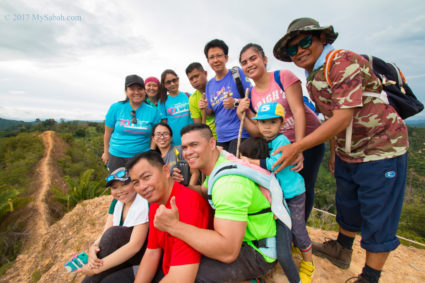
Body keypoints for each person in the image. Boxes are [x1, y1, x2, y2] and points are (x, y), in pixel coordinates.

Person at [272, 17, 409, 283]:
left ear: (322, 38)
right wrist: (335, 152)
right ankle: (342, 249)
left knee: (377, 213)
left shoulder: (341, 61)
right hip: (350, 151)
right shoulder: (313, 78)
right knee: (348, 202)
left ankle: (370, 276)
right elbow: (329, 116)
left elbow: (343, 117)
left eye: (305, 42)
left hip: (381, 148)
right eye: (292, 49)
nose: (299, 51)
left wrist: (297, 146)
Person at [153, 123, 277, 282]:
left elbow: (228, 251)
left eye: (194, 145)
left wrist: (173, 226)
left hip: (255, 251)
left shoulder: (229, 184)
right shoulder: (219, 164)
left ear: (212, 143)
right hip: (244, 239)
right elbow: (204, 191)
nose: (188, 152)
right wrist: (173, 186)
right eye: (184, 147)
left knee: (191, 274)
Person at [238, 43, 324, 221]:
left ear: (265, 59)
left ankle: (299, 235)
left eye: (253, 58)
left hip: (308, 140)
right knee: (283, 187)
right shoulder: (251, 94)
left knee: (303, 187)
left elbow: (299, 110)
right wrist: (242, 116)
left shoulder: (282, 76)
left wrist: (299, 147)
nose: (249, 64)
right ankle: (287, 230)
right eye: (244, 62)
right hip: (280, 145)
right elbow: (258, 131)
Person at [240, 102, 314, 283]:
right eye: (263, 122)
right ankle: (291, 248)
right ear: (257, 124)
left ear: (281, 124)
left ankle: (308, 264)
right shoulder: (264, 142)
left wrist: (247, 161)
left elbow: (274, 163)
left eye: (272, 122)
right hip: (278, 196)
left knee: (297, 228)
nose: (267, 126)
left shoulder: (282, 141)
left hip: (292, 193)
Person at [126, 151, 212, 283]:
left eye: (147, 177)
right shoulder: (156, 202)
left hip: (189, 272)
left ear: (166, 171)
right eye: (136, 182)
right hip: (169, 266)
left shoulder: (188, 205)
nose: (142, 187)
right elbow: (152, 252)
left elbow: (182, 278)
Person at [80, 168, 149, 283]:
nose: (120, 191)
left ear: (135, 183)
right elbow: (106, 232)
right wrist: (94, 247)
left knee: (114, 234)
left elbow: (135, 245)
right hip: (123, 253)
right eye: (114, 187)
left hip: (143, 254)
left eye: (125, 184)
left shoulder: (143, 202)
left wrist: (96, 269)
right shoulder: (117, 203)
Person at [201, 39, 251, 154]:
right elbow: (211, 112)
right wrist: (204, 107)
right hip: (221, 139)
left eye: (219, 55)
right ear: (208, 61)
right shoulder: (209, 84)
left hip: (240, 135)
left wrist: (235, 102)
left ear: (226, 58)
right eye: (212, 57)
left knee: (234, 170)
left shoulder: (237, 73)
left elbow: (252, 97)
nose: (216, 60)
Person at [102, 75, 161, 172]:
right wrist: (106, 152)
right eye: (132, 89)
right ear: (126, 91)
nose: (136, 92)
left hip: (141, 156)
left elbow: (155, 135)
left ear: (144, 91)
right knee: (119, 185)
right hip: (116, 156)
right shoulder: (116, 108)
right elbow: (107, 132)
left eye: (140, 89)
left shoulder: (153, 111)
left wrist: (151, 151)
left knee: (140, 185)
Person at [151, 122, 201, 192]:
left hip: (185, 193)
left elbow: (195, 173)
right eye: (158, 134)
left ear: (171, 138)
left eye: (165, 134)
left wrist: (188, 192)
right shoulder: (153, 160)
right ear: (153, 138)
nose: (162, 137)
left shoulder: (179, 150)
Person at [159, 69, 193, 145]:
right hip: (174, 143)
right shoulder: (162, 102)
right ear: (164, 85)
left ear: (178, 80)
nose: (172, 84)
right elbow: (164, 125)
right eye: (168, 82)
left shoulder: (189, 96)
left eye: (174, 80)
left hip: (192, 139)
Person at [185, 62, 217, 139]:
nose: (194, 81)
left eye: (196, 76)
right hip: (209, 139)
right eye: (191, 79)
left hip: (226, 134)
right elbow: (198, 126)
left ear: (205, 73)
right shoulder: (192, 99)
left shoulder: (217, 86)